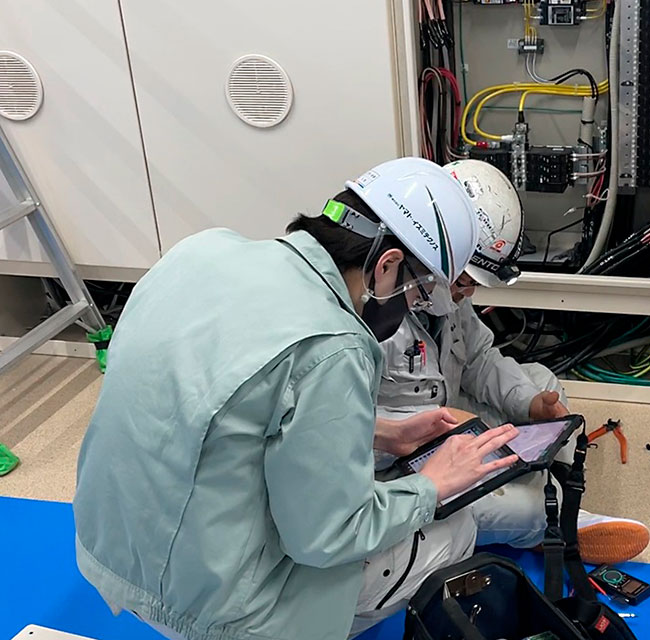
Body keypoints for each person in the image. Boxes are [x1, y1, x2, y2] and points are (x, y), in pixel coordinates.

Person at [73, 157, 525, 640]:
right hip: (215, 614)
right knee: (456, 529)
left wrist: (381, 432)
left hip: (108, 558)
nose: (415, 305)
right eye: (419, 293)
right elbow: (327, 537)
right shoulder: (337, 344)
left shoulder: (200, 251)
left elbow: (219, 400)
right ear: (387, 266)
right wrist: (431, 487)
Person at [375, 159, 650, 568]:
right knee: (525, 509)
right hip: (403, 467)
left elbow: (479, 359)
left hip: (452, 421)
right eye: (464, 281)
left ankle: (543, 489)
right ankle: (549, 520)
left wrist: (530, 404)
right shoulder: (374, 321)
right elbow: (349, 437)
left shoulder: (442, 294)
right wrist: (427, 433)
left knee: (541, 382)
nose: (468, 294)